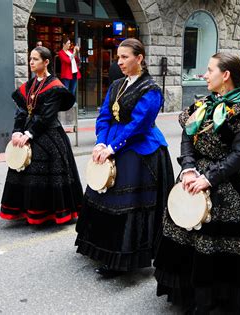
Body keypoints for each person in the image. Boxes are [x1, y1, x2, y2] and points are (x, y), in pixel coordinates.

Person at [154, 52, 240, 314]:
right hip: (193, 177)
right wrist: (188, 168)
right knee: (190, 235)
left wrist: (208, 179)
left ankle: (218, 299)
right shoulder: (203, 104)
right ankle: (190, 293)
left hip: (231, 183)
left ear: (225, 76)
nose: (204, 74)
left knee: (219, 242)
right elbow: (188, 136)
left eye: (210, 70)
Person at [75, 38, 174, 277]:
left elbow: (139, 125)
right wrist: (100, 141)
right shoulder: (117, 84)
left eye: (124, 57)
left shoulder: (151, 89)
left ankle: (123, 258)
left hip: (140, 150)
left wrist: (112, 148)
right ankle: (102, 248)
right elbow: (105, 115)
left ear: (139, 58)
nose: (119, 62)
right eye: (118, 57)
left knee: (127, 204)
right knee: (102, 196)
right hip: (114, 142)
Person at [0, 46, 83, 225]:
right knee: (23, 169)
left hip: (49, 133)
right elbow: (22, 111)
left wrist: (28, 134)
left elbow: (47, 116)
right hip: (29, 130)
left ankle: (51, 212)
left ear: (46, 62)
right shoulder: (29, 85)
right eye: (30, 58)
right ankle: (25, 209)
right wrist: (16, 131)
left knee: (47, 172)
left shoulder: (55, 86)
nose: (31, 62)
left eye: (35, 59)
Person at [58, 37, 81, 101]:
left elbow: (77, 60)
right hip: (66, 74)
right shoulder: (61, 53)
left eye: (70, 43)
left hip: (74, 73)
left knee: (73, 90)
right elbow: (68, 61)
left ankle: (71, 104)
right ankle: (66, 104)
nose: (69, 45)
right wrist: (73, 53)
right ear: (63, 44)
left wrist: (77, 52)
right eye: (68, 43)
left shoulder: (70, 51)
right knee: (66, 90)